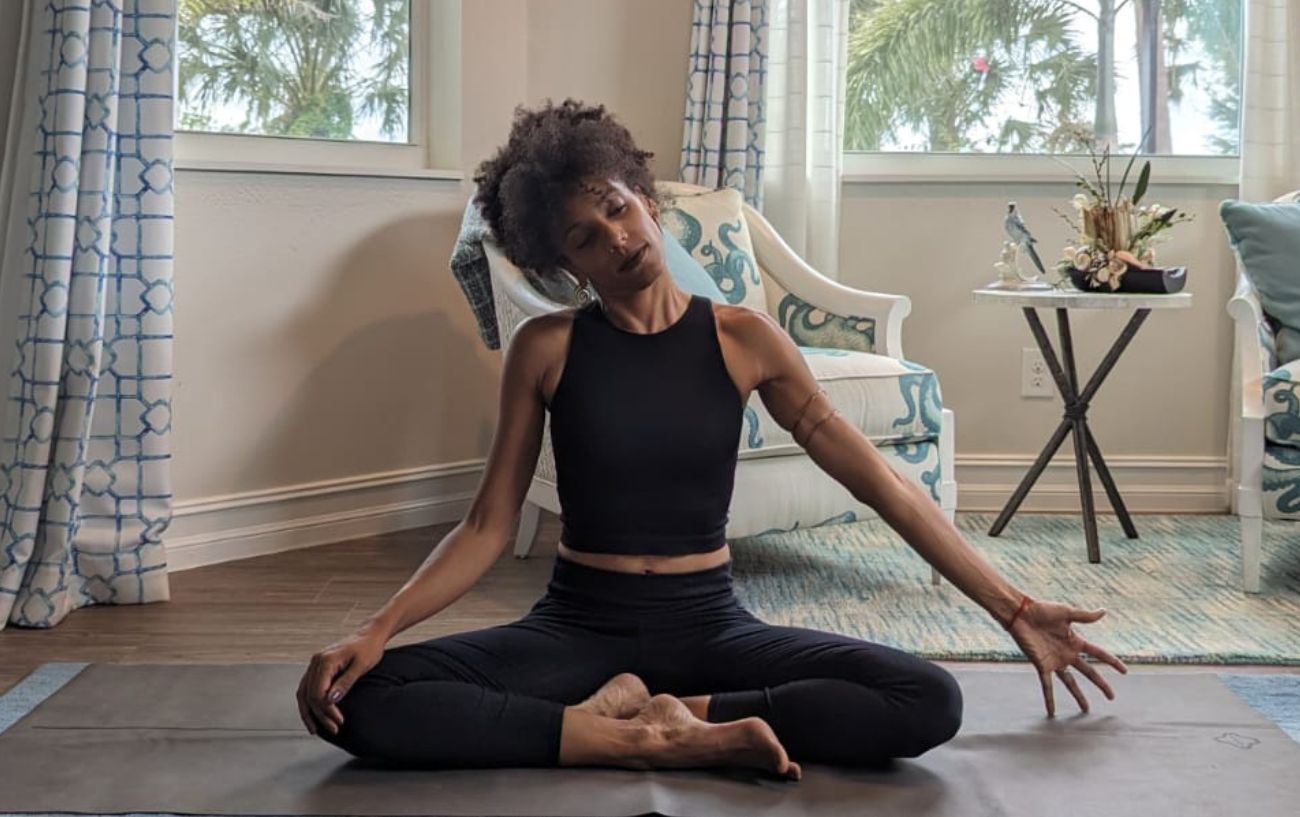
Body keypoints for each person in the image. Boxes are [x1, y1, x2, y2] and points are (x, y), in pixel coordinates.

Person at [297, 99, 1128, 780]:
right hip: (578, 626)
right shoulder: (545, 350)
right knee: (362, 700)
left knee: (927, 699)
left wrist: (1012, 607)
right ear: (565, 264)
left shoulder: (746, 339)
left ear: (646, 200)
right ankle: (633, 736)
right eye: (586, 236)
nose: (618, 239)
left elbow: (884, 484)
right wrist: (376, 629)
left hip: (709, 628)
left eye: (618, 207)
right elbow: (485, 527)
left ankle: (678, 713)